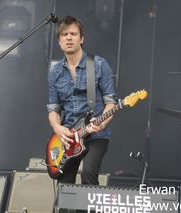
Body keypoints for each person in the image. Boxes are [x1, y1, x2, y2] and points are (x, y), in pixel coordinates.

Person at [47, 15, 116, 185]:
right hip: (69, 137)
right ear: (59, 41)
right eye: (64, 34)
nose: (69, 37)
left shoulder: (99, 65)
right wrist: (58, 128)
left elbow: (111, 104)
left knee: (88, 173)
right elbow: (53, 110)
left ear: (81, 38)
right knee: (64, 183)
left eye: (73, 34)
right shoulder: (55, 72)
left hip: (96, 134)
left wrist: (101, 124)